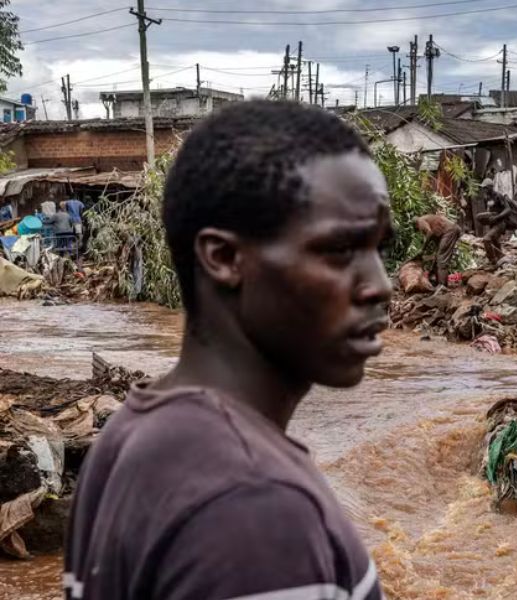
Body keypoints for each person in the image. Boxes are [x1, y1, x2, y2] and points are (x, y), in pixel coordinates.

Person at [63, 101, 388, 600]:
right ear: (224, 258)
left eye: (378, 248)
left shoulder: (130, 434)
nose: (380, 285)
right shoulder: (255, 505)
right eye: (341, 250)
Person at [478, 190, 517, 264]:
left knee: (487, 239)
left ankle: (493, 260)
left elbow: (508, 210)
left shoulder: (498, 196)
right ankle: (500, 258)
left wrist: (497, 217)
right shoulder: (487, 198)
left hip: (500, 223)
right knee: (494, 240)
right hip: (494, 222)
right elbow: (488, 211)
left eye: (486, 188)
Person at [416, 213, 461, 285]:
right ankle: (437, 282)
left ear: (416, 225)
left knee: (442, 259)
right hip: (449, 231)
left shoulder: (420, 221)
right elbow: (435, 234)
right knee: (438, 257)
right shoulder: (428, 220)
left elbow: (429, 233)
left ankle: (442, 286)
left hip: (450, 231)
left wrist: (423, 249)